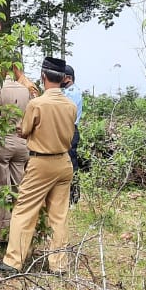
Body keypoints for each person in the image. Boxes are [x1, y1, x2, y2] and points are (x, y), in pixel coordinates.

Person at [0, 57, 78, 275]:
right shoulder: (71, 105)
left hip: (42, 162)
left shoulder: (37, 104)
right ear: (63, 79)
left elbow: (24, 129)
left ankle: (13, 262)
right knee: (58, 216)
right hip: (64, 163)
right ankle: (59, 265)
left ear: (43, 76)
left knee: (23, 211)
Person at [0, 66, 33, 243]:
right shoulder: (26, 89)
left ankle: (3, 236)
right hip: (22, 143)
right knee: (19, 189)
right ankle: (21, 234)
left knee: (0, 190)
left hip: (0, 142)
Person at [62, 64, 84, 204]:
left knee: (71, 163)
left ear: (68, 78)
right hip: (65, 129)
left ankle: (74, 196)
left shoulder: (73, 93)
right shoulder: (65, 91)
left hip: (70, 129)